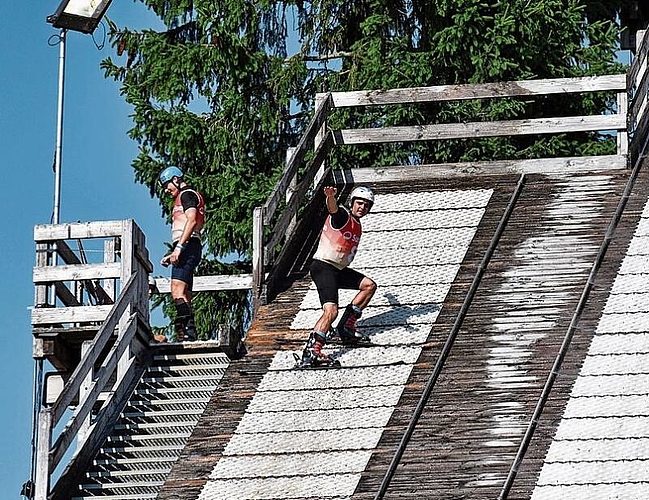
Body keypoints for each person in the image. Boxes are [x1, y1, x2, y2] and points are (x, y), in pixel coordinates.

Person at [301, 185, 377, 366]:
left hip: (338, 269)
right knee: (331, 311)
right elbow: (333, 210)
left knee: (369, 286)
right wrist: (330, 197)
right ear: (352, 203)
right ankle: (312, 351)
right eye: (359, 203)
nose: (362, 208)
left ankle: (346, 327)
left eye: (366, 205)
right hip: (324, 266)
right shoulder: (344, 216)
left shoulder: (357, 224)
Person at [158, 166, 205, 341]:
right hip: (188, 245)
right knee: (183, 292)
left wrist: (178, 249)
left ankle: (186, 333)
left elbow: (191, 220)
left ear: (176, 179)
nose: (166, 189)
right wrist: (174, 252)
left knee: (177, 290)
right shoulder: (185, 195)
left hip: (188, 245)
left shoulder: (186, 194)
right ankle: (186, 333)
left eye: (167, 185)